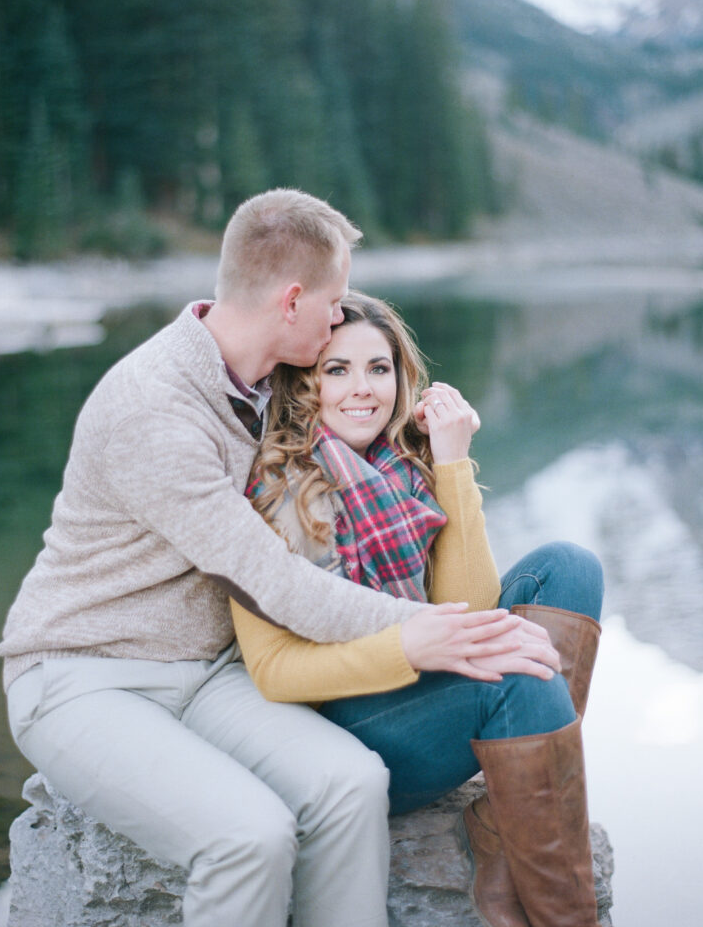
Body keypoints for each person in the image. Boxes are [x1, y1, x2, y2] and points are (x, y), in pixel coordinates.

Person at [0, 189, 560, 927]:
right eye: (335, 302)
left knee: (352, 781)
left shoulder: (262, 381)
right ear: (293, 300)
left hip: (207, 674)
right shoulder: (156, 408)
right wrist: (418, 632)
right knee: (248, 837)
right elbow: (271, 580)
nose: (340, 320)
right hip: (83, 675)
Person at [233, 291, 605, 927]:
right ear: (304, 382)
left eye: (378, 369)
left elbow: (470, 605)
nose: (363, 390)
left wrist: (452, 463)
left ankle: (496, 823)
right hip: (349, 730)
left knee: (570, 568)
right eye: (337, 369)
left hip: (424, 678)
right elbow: (276, 672)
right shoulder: (275, 489)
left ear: (402, 379)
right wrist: (413, 648)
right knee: (518, 672)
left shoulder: (401, 466)